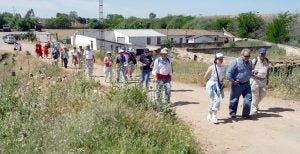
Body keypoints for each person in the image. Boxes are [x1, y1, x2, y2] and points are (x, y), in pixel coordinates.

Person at [227, 48, 252, 119]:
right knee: (234, 99)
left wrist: (252, 73)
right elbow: (229, 73)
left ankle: (245, 114)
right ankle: (232, 112)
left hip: (247, 84)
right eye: (246, 56)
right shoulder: (235, 62)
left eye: (248, 56)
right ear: (241, 55)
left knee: (248, 99)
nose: (247, 58)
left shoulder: (250, 62)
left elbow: (250, 70)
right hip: (237, 84)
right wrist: (233, 81)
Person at [203, 53, 225, 124]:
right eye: (219, 59)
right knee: (217, 100)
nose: (221, 60)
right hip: (211, 85)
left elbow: (222, 77)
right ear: (216, 59)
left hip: (218, 86)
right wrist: (209, 84)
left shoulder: (223, 67)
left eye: (222, 59)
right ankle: (214, 116)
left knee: (213, 100)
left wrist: (221, 85)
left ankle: (209, 114)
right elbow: (205, 77)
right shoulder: (212, 67)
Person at [250, 48, 270, 114]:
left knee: (263, 94)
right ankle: (253, 108)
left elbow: (267, 70)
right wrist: (253, 71)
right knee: (255, 95)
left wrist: (267, 78)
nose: (262, 55)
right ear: (259, 53)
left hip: (263, 80)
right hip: (255, 79)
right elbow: (249, 69)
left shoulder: (266, 60)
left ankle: (254, 105)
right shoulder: (254, 60)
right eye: (261, 54)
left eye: (264, 54)